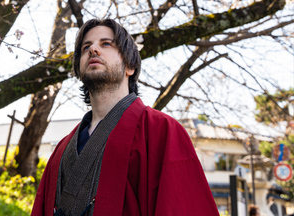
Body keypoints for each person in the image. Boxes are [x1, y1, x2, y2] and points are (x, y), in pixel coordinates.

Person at [31, 18, 219, 216]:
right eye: (86, 46)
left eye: (106, 43)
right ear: (78, 69)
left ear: (130, 66)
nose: (93, 49)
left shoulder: (162, 131)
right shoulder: (61, 150)